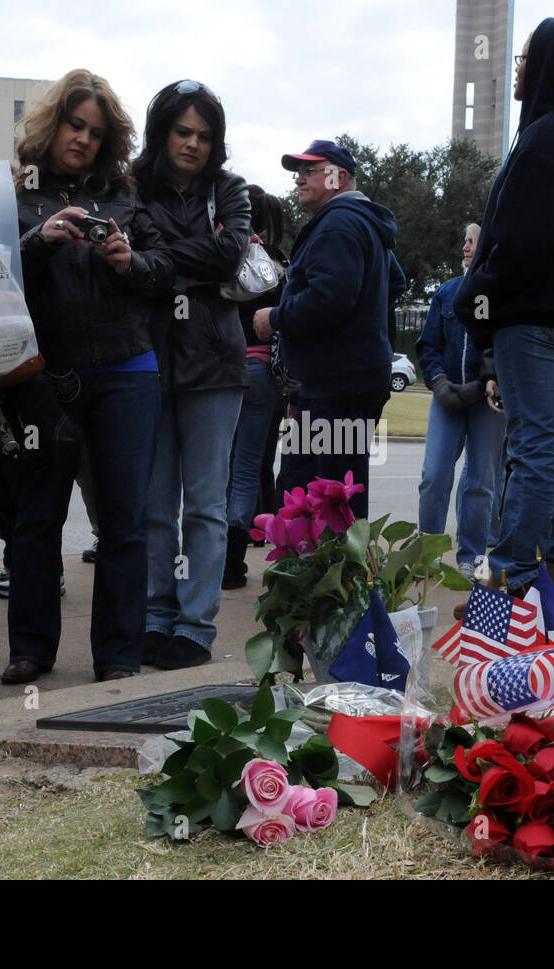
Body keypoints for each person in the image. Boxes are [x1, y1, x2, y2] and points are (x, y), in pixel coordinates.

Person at [4, 69, 174, 684]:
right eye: (75, 125)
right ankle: (30, 649)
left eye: (96, 132)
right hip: (43, 372)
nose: (83, 139)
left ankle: (119, 657)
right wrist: (38, 239)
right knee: (36, 516)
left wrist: (130, 260)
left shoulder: (126, 195)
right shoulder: (13, 189)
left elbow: (166, 271)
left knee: (125, 520)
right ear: (53, 124)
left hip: (128, 369)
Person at [453, 19, 554, 615]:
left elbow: (522, 241)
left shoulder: (546, 136)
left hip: (532, 317)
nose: (518, 66)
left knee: (532, 450)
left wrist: (473, 293)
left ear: (549, 65)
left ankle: (512, 579)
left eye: (527, 56)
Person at [133, 81, 250, 670]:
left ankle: (196, 626)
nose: (194, 144)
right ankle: (156, 616)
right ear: (162, 132)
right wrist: (181, 258)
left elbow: (228, 257)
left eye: (205, 135)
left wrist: (159, 260)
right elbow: (135, 260)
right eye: (183, 131)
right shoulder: (132, 184)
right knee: (155, 504)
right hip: (147, 357)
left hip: (216, 361)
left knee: (205, 505)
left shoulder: (229, 189)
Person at [253, 139, 406, 519]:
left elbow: (330, 299)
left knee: (334, 496)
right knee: (312, 483)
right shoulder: (361, 222)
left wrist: (274, 317)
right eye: (297, 174)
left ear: (338, 177)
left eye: (309, 171)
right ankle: (322, 572)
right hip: (340, 382)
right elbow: (396, 283)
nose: (299, 181)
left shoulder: (338, 224)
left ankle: (340, 575)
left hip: (339, 386)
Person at [416, 223, 505, 580]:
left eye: (472, 241)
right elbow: (428, 345)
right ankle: (427, 553)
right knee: (434, 474)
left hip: (488, 401)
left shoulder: (501, 293)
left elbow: (502, 345)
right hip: (447, 397)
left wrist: (486, 381)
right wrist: (438, 382)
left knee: (481, 481)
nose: (466, 247)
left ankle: (470, 557)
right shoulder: (446, 293)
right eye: (465, 241)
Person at [223, 185, 288, 589]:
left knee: (212, 472)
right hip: (263, 373)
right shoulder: (279, 266)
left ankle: (206, 559)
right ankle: (234, 564)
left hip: (221, 370)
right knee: (249, 469)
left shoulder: (224, 256)